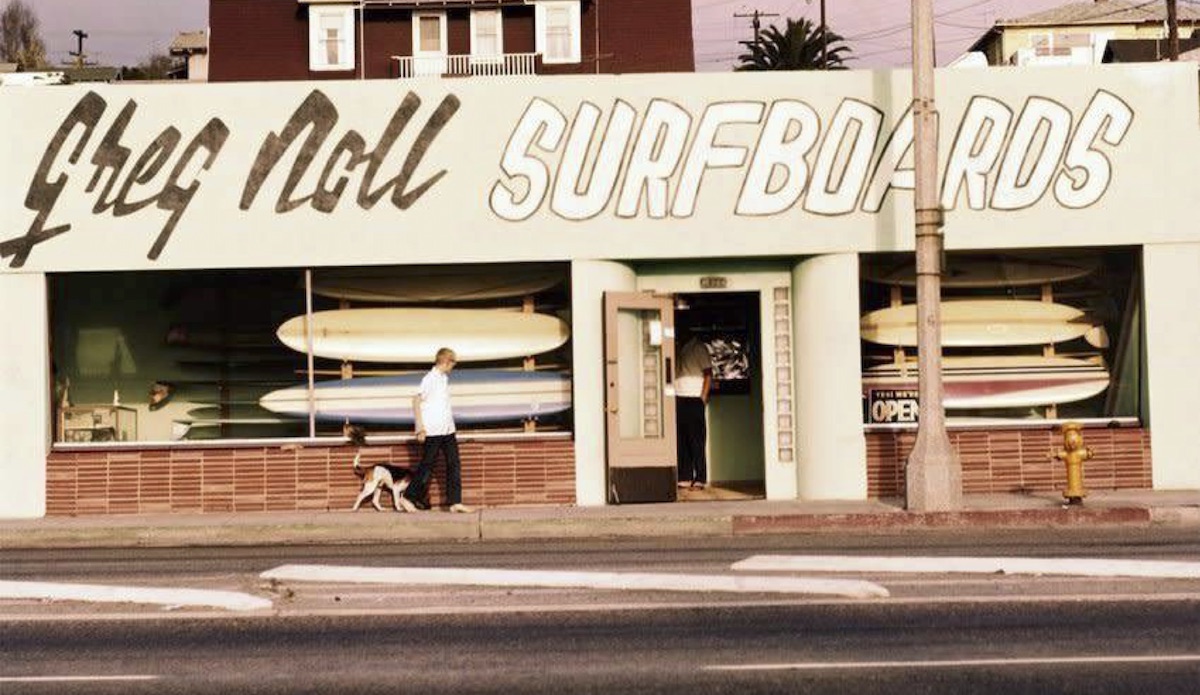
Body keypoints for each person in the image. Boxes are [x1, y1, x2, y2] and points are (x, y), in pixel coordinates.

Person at [405, 347, 474, 513]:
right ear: (445, 361)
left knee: (454, 464)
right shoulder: (430, 379)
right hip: (433, 430)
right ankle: (408, 497)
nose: (453, 367)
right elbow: (416, 400)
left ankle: (455, 502)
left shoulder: (443, 378)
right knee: (427, 465)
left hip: (448, 429)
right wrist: (419, 428)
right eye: (452, 363)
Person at [675, 335, 713, 490]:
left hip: (694, 397)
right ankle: (685, 476)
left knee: (696, 440)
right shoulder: (679, 347)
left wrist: (703, 397)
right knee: (682, 439)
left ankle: (700, 478)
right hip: (680, 396)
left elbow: (708, 373)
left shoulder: (698, 347)